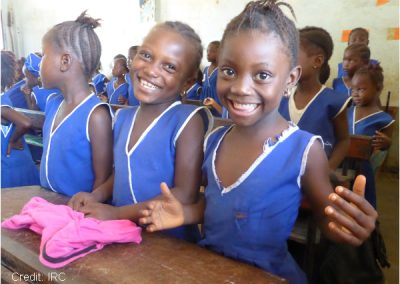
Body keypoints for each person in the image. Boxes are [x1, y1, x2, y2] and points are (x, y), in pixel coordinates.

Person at [137, 1, 377, 283]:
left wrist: (345, 228)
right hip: (208, 268)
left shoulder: (303, 149)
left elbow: (325, 217)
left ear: (290, 79)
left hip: (267, 275)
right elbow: (220, 207)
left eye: (262, 75)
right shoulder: (214, 140)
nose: (240, 87)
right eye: (229, 71)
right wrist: (185, 214)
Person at [69, 21, 212, 243]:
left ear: (189, 81)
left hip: (169, 243)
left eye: (170, 67)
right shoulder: (124, 117)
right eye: (146, 55)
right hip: (122, 234)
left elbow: (185, 193)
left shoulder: (187, 120)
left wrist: (117, 213)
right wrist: (95, 196)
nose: (152, 70)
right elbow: (123, 172)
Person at [39, 11, 113, 197]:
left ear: (65, 61)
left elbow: (101, 181)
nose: (39, 64)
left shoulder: (95, 115)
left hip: (75, 214)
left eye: (43, 56)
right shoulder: (53, 103)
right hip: (48, 206)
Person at [279, 26, 351, 170]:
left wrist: (327, 171)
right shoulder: (281, 97)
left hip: (315, 179)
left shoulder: (333, 101)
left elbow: (343, 141)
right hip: (280, 176)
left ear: (317, 61)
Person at [348, 64, 394, 208]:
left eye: (361, 89)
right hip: (341, 163)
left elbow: (384, 149)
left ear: (378, 88)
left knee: (360, 203)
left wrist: (387, 143)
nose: (355, 93)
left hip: (362, 169)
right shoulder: (347, 111)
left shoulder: (384, 119)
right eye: (353, 89)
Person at [1, 50, 40, 188]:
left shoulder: (1, 104)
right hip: (12, 161)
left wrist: (13, 140)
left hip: (10, 163)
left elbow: (25, 123)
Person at [202, 41, 223, 116]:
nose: (208, 53)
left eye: (212, 51)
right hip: (205, 108)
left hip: (217, 110)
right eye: (207, 51)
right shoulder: (205, 70)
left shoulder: (222, 71)